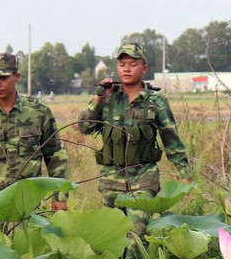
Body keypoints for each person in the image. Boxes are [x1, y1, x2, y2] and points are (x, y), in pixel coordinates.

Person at [78, 41, 189, 234]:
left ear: (144, 68)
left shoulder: (156, 103)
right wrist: (98, 99)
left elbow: (172, 141)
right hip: (111, 180)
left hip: (143, 178)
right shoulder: (107, 100)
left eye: (132, 64)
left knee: (137, 233)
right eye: (122, 65)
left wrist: (185, 176)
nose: (126, 69)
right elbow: (84, 127)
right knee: (112, 237)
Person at [0, 52, 68, 210]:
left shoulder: (38, 111)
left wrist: (60, 197)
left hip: (29, 205)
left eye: (3, 78)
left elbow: (56, 155)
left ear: (17, 76)